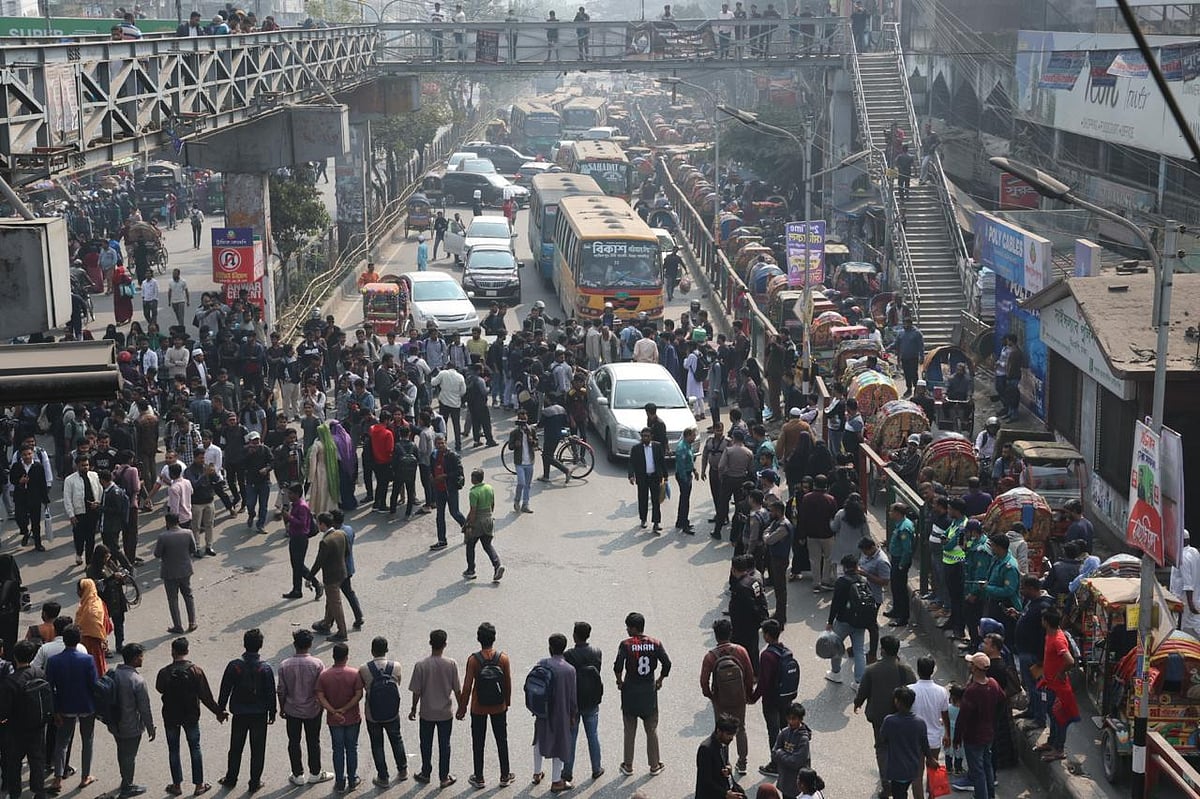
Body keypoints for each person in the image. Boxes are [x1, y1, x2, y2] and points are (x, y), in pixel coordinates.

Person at [155, 636, 225, 797]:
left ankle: (177, 785)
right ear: (187, 651)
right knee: (195, 748)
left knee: (173, 750)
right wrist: (218, 712)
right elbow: (206, 696)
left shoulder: (164, 672)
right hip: (191, 716)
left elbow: (160, 689)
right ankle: (199, 785)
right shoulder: (196, 671)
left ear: (172, 652)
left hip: (171, 717)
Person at [853, 636, 916, 799]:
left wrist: (857, 703)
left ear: (883, 650)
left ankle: (886, 783)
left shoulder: (872, 669)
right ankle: (898, 782)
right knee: (899, 748)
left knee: (882, 748)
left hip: (879, 717)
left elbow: (863, 691)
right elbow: (914, 691)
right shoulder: (906, 669)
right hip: (901, 716)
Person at [217, 628, 276, 792]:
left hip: (240, 713)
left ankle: (231, 778)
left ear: (244, 644)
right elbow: (271, 692)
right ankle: (254, 782)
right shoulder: (265, 668)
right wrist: (273, 712)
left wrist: (220, 709)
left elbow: (225, 689)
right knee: (258, 749)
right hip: (259, 714)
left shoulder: (234, 666)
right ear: (260, 646)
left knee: (235, 747)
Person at [613, 611, 671, 777]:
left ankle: (628, 765)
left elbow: (618, 666)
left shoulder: (626, 644)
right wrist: (660, 680)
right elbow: (667, 664)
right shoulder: (655, 643)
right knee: (651, 729)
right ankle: (654, 765)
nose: (626, 630)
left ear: (633, 628)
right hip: (648, 692)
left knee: (629, 730)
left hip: (630, 691)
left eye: (628, 627)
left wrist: (620, 682)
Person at [457, 622, 513, 789]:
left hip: (478, 707)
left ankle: (479, 777)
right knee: (501, 740)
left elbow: (467, 687)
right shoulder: (503, 658)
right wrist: (507, 702)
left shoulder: (474, 660)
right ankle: (504, 775)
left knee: (478, 742)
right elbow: (507, 682)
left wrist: (462, 708)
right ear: (494, 638)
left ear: (478, 639)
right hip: (498, 706)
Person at [45, 625, 99, 792]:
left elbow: (49, 688)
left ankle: (57, 779)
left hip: (64, 707)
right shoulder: (88, 659)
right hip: (86, 706)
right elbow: (94, 685)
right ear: (79, 640)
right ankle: (85, 777)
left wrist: (55, 711)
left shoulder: (54, 661)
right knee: (87, 741)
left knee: (62, 743)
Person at [408, 629, 463, 789]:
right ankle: (444, 777)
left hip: (427, 713)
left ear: (430, 643)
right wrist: (461, 708)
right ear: (445, 644)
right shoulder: (451, 664)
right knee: (444, 744)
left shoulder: (421, 665)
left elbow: (416, 691)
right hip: (445, 713)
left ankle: (425, 773)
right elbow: (457, 690)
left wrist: (413, 709)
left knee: (425, 743)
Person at [278, 629, 333, 787]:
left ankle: (298, 774)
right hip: (313, 710)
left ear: (294, 645)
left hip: (292, 710)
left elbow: (281, 690)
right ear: (310, 645)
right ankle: (315, 773)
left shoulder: (284, 665)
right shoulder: (317, 664)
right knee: (313, 741)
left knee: (294, 742)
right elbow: (321, 688)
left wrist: (282, 708)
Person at [700, 618, 755, 776]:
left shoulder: (710, 656)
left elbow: (704, 682)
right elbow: (750, 675)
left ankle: (724, 764)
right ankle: (742, 763)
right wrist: (747, 694)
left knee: (721, 732)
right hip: (739, 699)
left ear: (715, 635)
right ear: (730, 632)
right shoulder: (740, 651)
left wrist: (712, 697)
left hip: (721, 701)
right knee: (741, 729)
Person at [1, 639, 50, 799]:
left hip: (16, 730)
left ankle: (15, 793)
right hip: (38, 726)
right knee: (37, 761)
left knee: (14, 762)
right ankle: (39, 791)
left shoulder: (11, 681)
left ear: (15, 656)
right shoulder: (40, 673)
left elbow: (4, 710)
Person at [950, 653, 1005, 796]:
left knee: (977, 771)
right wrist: (993, 720)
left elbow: (963, 717)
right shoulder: (993, 683)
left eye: (971, 664)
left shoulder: (972, 691)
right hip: (988, 733)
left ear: (975, 668)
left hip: (973, 737)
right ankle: (990, 794)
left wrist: (956, 738)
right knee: (987, 766)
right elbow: (1002, 700)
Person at [108, 642, 156, 798]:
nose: (142, 659)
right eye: (141, 656)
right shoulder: (137, 680)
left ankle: (125, 780)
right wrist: (151, 728)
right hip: (131, 726)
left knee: (121, 753)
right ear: (135, 659)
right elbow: (144, 708)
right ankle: (127, 786)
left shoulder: (113, 673)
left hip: (115, 724)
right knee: (129, 756)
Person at [531, 633, 578, 792]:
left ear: (550, 647)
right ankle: (556, 781)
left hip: (542, 710)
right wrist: (573, 715)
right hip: (561, 712)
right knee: (559, 744)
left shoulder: (542, 663)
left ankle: (537, 773)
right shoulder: (569, 670)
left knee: (538, 740)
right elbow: (572, 697)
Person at [315, 642, 364, 793]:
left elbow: (320, 696)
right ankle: (352, 779)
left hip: (334, 720)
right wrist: (344, 709)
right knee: (351, 749)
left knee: (337, 750)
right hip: (352, 718)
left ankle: (340, 781)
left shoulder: (324, 675)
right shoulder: (354, 674)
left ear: (333, 656)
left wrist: (333, 711)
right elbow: (359, 694)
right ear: (346, 656)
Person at [360, 636, 408, 786]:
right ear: (387, 650)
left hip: (372, 713)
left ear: (372, 650)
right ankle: (403, 771)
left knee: (377, 744)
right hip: (392, 712)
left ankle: (383, 777)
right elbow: (398, 682)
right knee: (396, 739)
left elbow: (364, 687)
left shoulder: (364, 668)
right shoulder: (396, 666)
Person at [562, 621, 604, 783]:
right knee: (593, 735)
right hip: (592, 700)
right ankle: (596, 768)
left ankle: (567, 772)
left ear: (574, 635)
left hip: (574, 701)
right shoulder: (597, 652)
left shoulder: (569, 655)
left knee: (571, 737)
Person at [878, 686, 937, 799]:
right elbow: (925, 744)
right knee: (903, 791)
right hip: (913, 768)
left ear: (898, 702)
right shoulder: (920, 722)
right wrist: (931, 758)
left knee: (899, 794)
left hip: (897, 769)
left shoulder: (889, 721)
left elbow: (882, 739)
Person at [1035, 609, 1078, 764]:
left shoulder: (1058, 639)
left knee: (1059, 717)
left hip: (1058, 686)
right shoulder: (1050, 635)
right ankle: (1052, 742)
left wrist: (1060, 673)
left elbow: (1069, 661)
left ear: (1046, 621)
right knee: (1051, 714)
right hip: (1050, 684)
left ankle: (1059, 749)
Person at [825, 554, 872, 687]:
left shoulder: (841, 582)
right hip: (860, 622)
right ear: (857, 566)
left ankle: (835, 673)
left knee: (836, 647)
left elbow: (835, 604)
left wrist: (830, 621)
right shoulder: (863, 580)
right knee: (859, 651)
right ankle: (859, 682)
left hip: (843, 621)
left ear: (844, 567)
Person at [908, 656, 950, 799]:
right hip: (934, 739)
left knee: (917, 776)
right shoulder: (941, 691)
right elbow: (945, 715)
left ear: (918, 670)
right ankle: (931, 796)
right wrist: (948, 735)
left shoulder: (910, 690)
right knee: (932, 771)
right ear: (932, 671)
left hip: (915, 740)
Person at [309, 513, 350, 642]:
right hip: (342, 573)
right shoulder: (341, 534)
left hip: (331, 577)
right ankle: (326, 623)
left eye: (318, 523)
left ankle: (342, 632)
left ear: (322, 524)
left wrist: (309, 577)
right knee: (331, 601)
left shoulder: (325, 542)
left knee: (335, 603)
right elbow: (347, 552)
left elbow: (319, 562)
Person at [154, 513, 198, 634]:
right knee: (188, 595)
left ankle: (178, 625)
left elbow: (157, 554)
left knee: (173, 600)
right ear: (178, 521)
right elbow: (193, 549)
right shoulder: (188, 533)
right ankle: (192, 622)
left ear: (167, 522)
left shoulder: (163, 536)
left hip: (169, 572)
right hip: (185, 570)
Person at [463, 469, 504, 582]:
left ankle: (471, 570)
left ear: (474, 479)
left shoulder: (474, 492)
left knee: (470, 545)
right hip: (488, 520)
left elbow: (473, 511)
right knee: (487, 545)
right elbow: (492, 504)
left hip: (478, 522)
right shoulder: (489, 488)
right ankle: (497, 565)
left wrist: (470, 525)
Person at [429, 434, 466, 550]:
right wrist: (431, 476)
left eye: (442, 443)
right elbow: (431, 468)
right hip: (439, 490)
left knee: (454, 512)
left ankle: (468, 529)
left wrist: (445, 476)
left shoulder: (452, 456)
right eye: (438, 443)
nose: (440, 445)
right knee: (439, 516)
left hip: (450, 489)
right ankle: (442, 540)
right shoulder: (434, 455)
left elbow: (459, 472)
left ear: (446, 442)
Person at [695, 714, 745, 799]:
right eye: (729, 734)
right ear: (718, 731)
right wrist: (725, 794)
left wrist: (729, 768)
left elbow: (725, 761)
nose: (731, 738)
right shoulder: (706, 749)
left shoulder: (724, 742)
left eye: (733, 735)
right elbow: (705, 780)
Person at [628, 427, 667, 533]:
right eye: (643, 436)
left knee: (656, 501)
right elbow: (631, 463)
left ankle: (656, 523)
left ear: (651, 437)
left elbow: (662, 462)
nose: (645, 438)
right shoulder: (636, 448)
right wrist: (631, 475)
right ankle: (643, 519)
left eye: (647, 436)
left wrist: (665, 477)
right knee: (642, 499)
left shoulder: (657, 446)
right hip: (642, 478)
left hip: (655, 477)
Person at [770, 702, 811, 799]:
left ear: (800, 719)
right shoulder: (784, 733)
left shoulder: (803, 739)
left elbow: (796, 762)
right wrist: (783, 756)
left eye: (794, 719)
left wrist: (780, 753)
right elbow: (774, 753)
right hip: (785, 780)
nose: (791, 721)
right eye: (789, 718)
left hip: (797, 785)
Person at [890, 319, 924, 397]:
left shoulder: (917, 333)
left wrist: (922, 356)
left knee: (914, 374)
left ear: (910, 324)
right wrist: (888, 348)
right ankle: (909, 389)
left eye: (906, 324)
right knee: (907, 374)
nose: (905, 325)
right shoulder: (901, 333)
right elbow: (896, 344)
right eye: (904, 324)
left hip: (913, 357)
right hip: (904, 358)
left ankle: (916, 389)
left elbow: (921, 346)